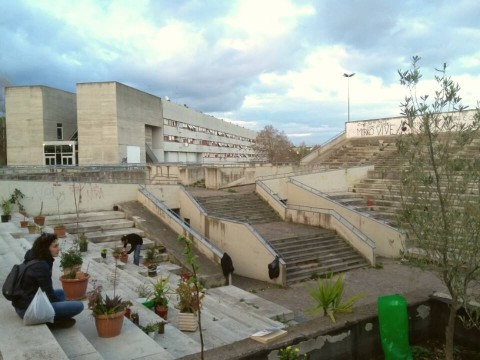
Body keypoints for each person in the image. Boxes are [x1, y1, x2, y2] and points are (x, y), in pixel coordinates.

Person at [13, 233, 84, 328]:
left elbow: (47, 291)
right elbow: (49, 294)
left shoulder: (35, 257)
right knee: (79, 306)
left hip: (24, 304)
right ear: (45, 249)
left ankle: (56, 319)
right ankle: (53, 322)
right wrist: (62, 304)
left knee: (61, 292)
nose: (58, 249)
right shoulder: (40, 266)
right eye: (55, 246)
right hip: (28, 310)